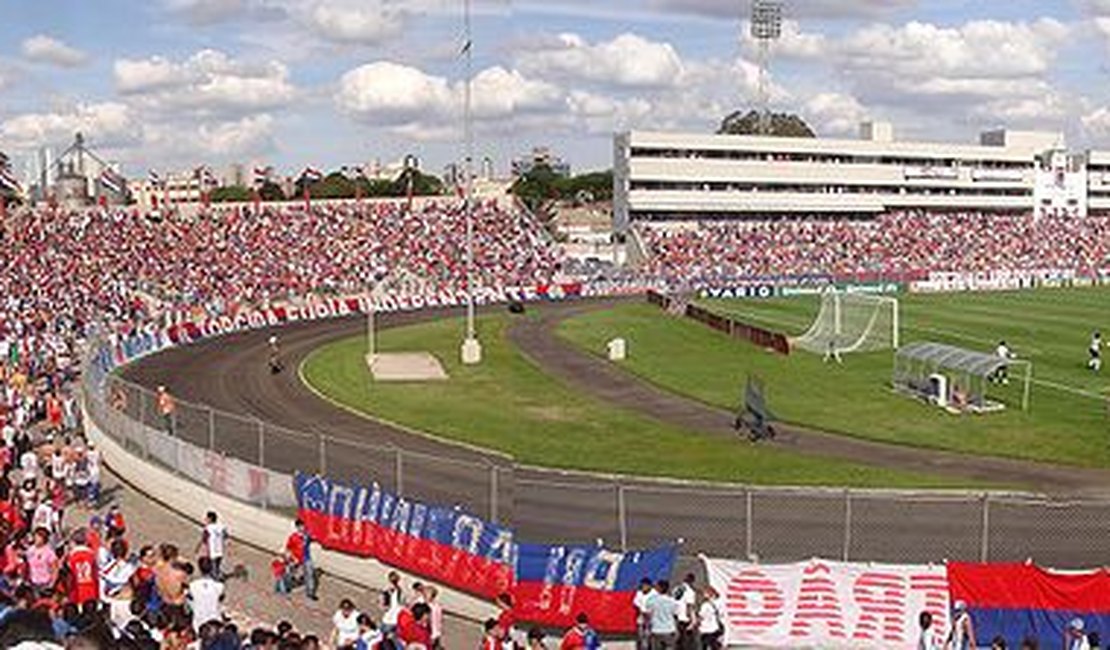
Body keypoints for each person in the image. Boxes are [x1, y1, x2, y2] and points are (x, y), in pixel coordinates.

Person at [189, 556, 225, 633]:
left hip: (198, 621)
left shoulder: (192, 585)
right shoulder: (219, 586)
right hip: (215, 620)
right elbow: (221, 600)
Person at [285, 519, 316, 600]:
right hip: (296, 558)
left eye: (303, 526)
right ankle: (288, 586)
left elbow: (314, 538)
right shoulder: (293, 537)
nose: (302, 528)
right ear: (297, 527)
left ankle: (310, 592)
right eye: (300, 526)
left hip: (306, 558)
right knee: (290, 572)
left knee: (310, 574)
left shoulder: (307, 536)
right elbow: (288, 548)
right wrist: (291, 558)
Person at [647, 579, 679, 650]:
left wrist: (648, 627)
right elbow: (676, 615)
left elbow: (648, 615)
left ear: (659, 588)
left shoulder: (651, 601)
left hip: (656, 630)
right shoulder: (672, 601)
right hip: (669, 630)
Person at [196, 511, 228, 580]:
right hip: (220, 550)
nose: (205, 519)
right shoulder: (221, 527)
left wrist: (198, 547)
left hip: (212, 551)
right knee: (217, 565)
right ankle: (218, 576)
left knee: (212, 568)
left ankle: (214, 582)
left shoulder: (208, 528)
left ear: (210, 519)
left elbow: (204, 539)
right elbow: (225, 536)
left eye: (207, 518)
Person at [672, 573, 697, 650]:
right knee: (687, 642)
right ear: (692, 581)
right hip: (685, 619)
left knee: (678, 641)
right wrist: (693, 620)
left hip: (676, 616)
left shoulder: (676, 589)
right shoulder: (690, 591)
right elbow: (689, 606)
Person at [696, 586, 724, 650]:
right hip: (716, 628)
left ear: (709, 594)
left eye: (704, 593)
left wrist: (694, 624)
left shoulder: (705, 605)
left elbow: (701, 617)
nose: (703, 595)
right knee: (714, 646)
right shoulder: (719, 602)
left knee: (705, 646)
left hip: (706, 629)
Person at [381, 570, 404, 640]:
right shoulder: (398, 590)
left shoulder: (389, 590)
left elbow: (384, 606)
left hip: (390, 619)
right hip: (393, 619)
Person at [633, 578, 654, 650]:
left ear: (649, 586)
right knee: (640, 637)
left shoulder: (654, 594)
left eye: (645, 585)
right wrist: (641, 612)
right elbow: (636, 604)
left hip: (651, 620)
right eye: (642, 585)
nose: (643, 587)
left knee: (649, 637)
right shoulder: (639, 593)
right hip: (641, 619)